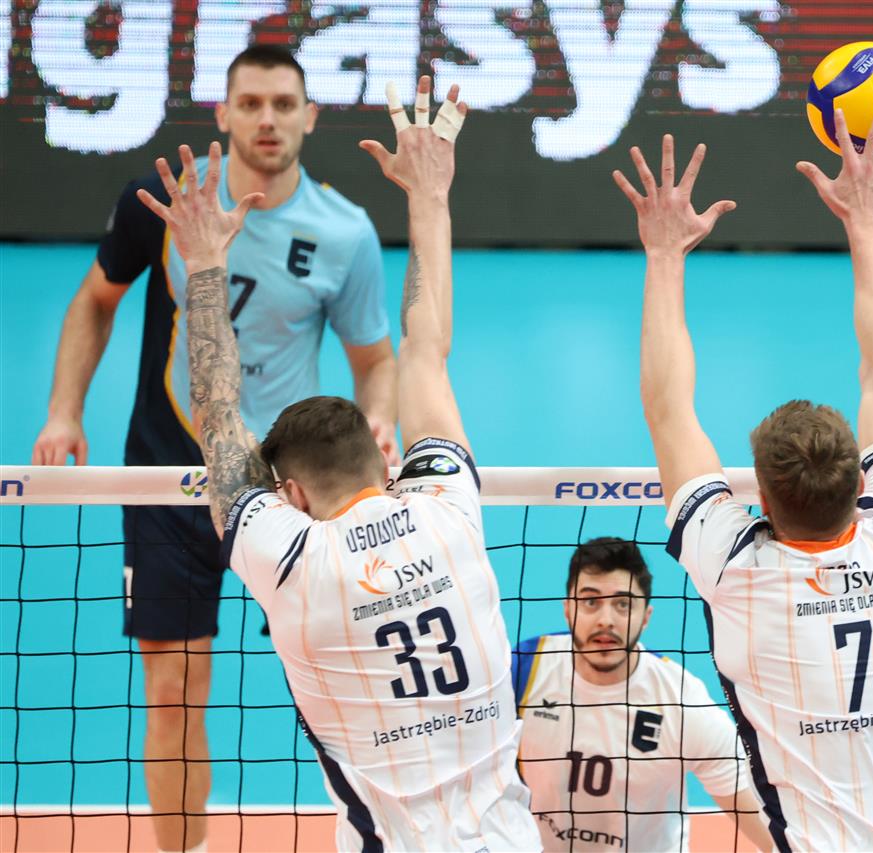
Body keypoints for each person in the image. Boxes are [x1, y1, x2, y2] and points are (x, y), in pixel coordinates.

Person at [133, 76, 539, 851]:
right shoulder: (449, 509)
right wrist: (430, 195)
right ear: (384, 461)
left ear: (289, 493)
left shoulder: (291, 559)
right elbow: (424, 350)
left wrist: (205, 262)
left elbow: (216, 412)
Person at [29, 45, 397, 852]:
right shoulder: (166, 203)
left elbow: (375, 360)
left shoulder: (345, 232)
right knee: (173, 692)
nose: (268, 119)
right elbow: (95, 300)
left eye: (284, 104)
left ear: (310, 116)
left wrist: (379, 419)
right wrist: (63, 411)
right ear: (223, 113)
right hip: (171, 474)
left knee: (353, 687)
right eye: (251, 103)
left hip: (292, 485)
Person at [615, 107, 873, 851]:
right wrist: (865, 220)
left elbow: (667, 409)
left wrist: (665, 253)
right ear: (861, 482)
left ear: (761, 501)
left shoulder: (736, 570)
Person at [512, 537, 773, 851]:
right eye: (590, 602)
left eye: (623, 604)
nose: (606, 619)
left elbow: (765, 823)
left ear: (646, 616)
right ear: (568, 609)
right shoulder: (523, 672)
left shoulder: (679, 700)